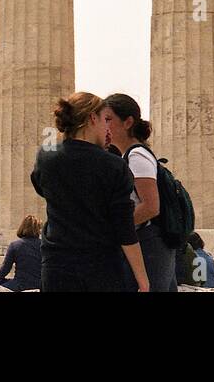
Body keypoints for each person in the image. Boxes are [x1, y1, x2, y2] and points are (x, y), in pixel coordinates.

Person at [30, 92, 149, 292]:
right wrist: (143, 280)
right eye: (105, 120)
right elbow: (124, 227)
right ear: (93, 118)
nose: (108, 127)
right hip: (101, 267)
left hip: (56, 265)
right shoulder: (114, 166)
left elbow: (42, 188)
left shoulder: (46, 156)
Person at [103, 93, 178, 292]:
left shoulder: (136, 155)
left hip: (149, 241)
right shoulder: (127, 155)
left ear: (127, 122)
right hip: (145, 239)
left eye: (108, 119)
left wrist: (115, 229)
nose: (104, 125)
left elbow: (151, 206)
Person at [0, 215, 43, 292]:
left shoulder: (15, 245)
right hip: (40, 284)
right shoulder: (43, 246)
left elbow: (6, 267)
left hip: (20, 284)